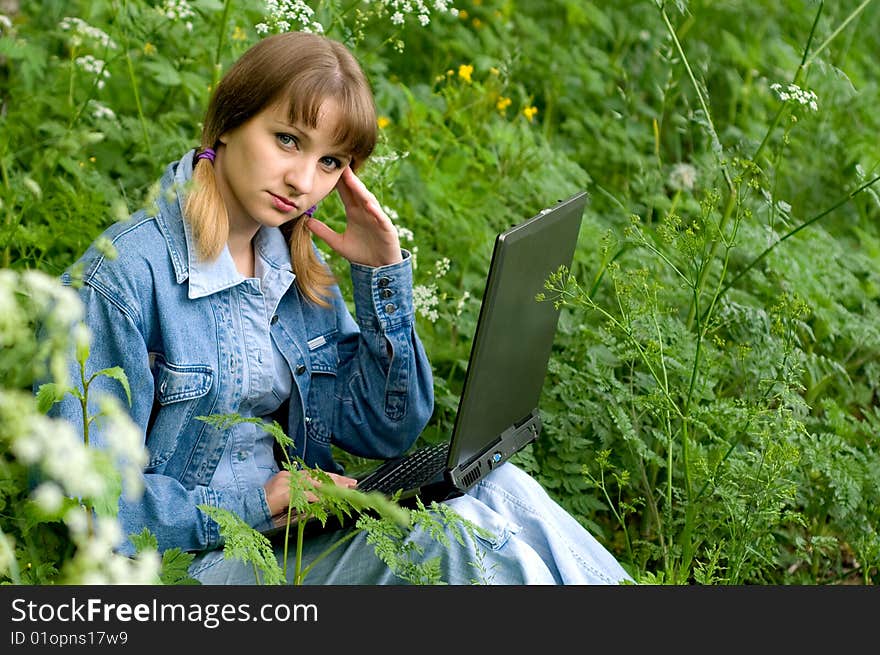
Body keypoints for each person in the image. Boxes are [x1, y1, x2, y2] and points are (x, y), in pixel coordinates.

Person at [49, 31, 632, 585]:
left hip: (292, 538)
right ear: (228, 124)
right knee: (454, 538)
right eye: (288, 140)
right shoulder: (125, 276)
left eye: (331, 162)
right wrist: (260, 502)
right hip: (191, 563)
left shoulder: (292, 268)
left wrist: (382, 274)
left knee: (504, 489)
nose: (303, 180)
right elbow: (83, 494)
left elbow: (384, 427)